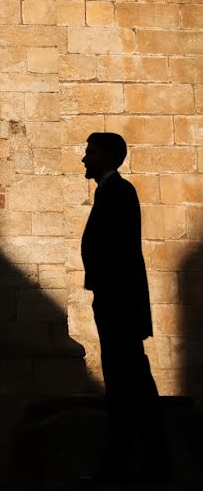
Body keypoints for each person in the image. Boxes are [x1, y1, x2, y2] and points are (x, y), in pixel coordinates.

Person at [80, 132, 167, 482]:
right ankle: (141, 461)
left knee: (127, 382)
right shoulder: (110, 192)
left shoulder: (118, 192)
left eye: (89, 152)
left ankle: (135, 462)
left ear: (106, 155)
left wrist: (107, 291)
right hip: (115, 303)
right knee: (129, 382)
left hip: (119, 306)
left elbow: (120, 254)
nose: (84, 159)